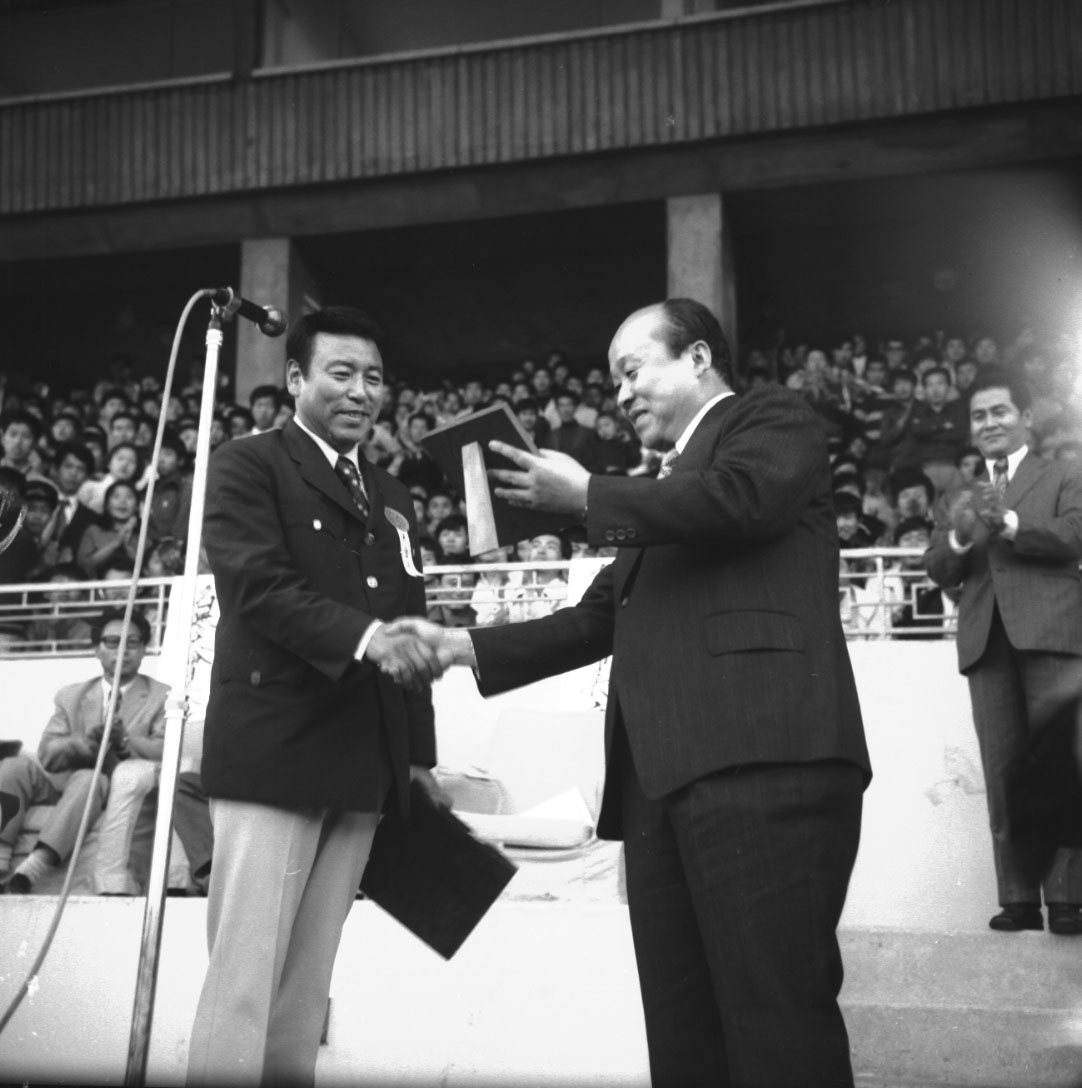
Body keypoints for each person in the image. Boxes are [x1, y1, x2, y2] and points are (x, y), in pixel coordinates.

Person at [395, 299, 871, 1087]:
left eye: (633, 368)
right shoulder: (662, 493)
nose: (621, 393)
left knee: (775, 1021)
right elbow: (593, 619)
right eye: (613, 380)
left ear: (697, 359)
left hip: (762, 763)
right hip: (659, 785)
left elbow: (738, 501)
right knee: (683, 1034)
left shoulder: (770, 420)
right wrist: (460, 646)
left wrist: (588, 497)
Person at [186, 305, 450, 1086]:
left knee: (306, 991)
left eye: (373, 378)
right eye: (341, 373)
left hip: (363, 763)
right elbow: (257, 587)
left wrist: (419, 756)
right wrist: (366, 640)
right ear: (296, 379)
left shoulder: (392, 492)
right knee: (243, 985)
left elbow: (414, 622)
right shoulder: (247, 463)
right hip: (276, 751)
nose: (361, 391)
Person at [924, 366, 1082, 936]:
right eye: (979, 416)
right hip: (987, 640)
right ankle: (1017, 898)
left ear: (1028, 419)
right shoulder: (957, 497)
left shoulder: (1065, 473)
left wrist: (1010, 522)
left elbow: (1075, 534)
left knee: (1059, 766)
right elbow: (938, 569)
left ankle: (1068, 900)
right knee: (1004, 771)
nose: (988, 423)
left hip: (1055, 631)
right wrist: (962, 535)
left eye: (999, 412)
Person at [0, 609, 168, 893]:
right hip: (64, 783)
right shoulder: (71, 695)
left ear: (144, 651)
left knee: (89, 779)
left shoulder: (161, 696)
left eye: (132, 642)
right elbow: (48, 754)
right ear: (96, 649)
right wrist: (83, 744)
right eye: (112, 642)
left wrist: (125, 740)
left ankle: (32, 868)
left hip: (117, 787)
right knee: (14, 767)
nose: (122, 650)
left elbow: (165, 751)